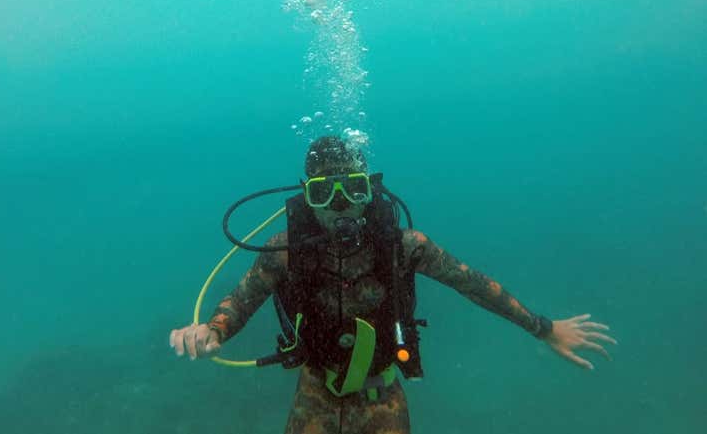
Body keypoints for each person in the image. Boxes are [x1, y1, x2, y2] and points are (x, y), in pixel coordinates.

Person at [170, 136, 617, 434]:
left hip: (383, 396)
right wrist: (211, 332)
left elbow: (474, 285)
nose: (340, 205)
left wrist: (544, 327)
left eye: (353, 189)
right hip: (314, 394)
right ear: (307, 197)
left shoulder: (404, 247)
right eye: (324, 193)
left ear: (370, 192)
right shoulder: (287, 249)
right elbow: (243, 299)